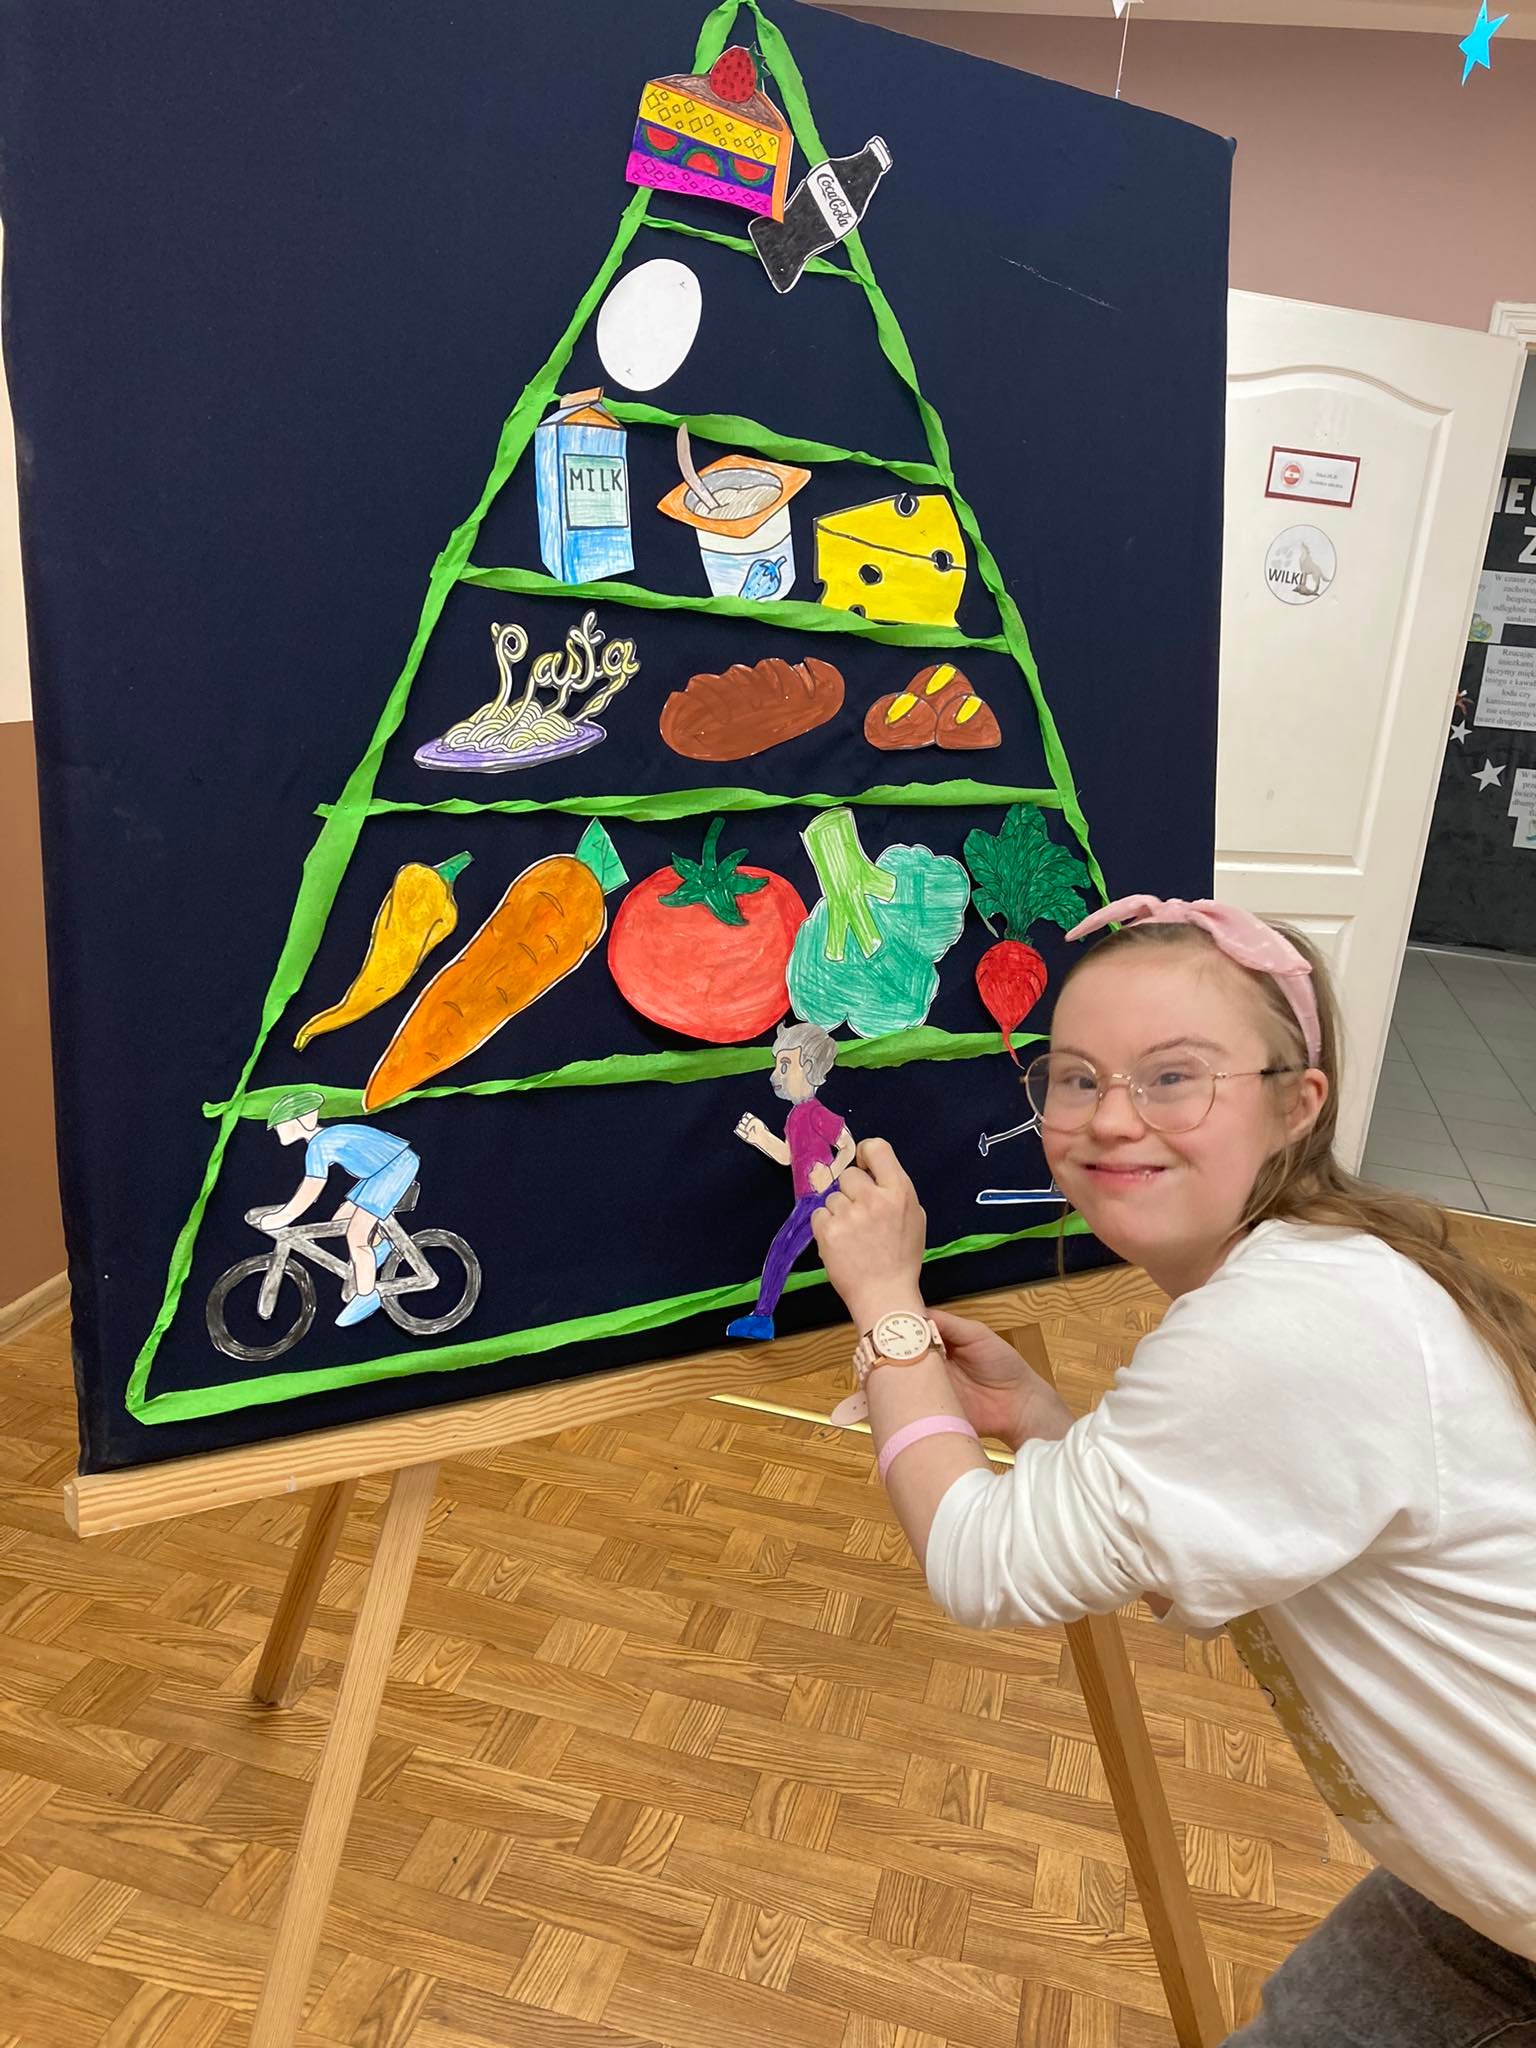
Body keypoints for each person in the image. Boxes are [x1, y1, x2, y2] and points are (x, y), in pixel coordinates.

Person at [809, 896, 1536, 2043]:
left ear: (1297, 1104)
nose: (1110, 1119)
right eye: (1076, 1077)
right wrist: (1042, 1420)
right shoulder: (1326, 1265)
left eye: (1173, 1077)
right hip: (1479, 1882)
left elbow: (981, 1561)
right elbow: (1223, 1527)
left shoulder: (1292, 1320)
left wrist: (887, 1301)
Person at [727, 1021, 856, 1342]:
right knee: (788, 1250)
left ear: (809, 1068)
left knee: (784, 1249)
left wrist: (830, 1173)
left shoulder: (815, 1113)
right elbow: (788, 1156)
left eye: (784, 1066)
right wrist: (761, 1138)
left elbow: (848, 1146)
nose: (776, 1075)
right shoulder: (795, 1116)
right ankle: (763, 1317)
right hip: (808, 1199)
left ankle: (763, 1317)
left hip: (822, 1197)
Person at [257, 1089, 420, 1328]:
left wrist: (282, 1217)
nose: (278, 1130)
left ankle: (367, 1295)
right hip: (380, 1171)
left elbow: (310, 1189)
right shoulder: (322, 1141)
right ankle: (381, 1248)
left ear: (302, 1120)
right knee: (340, 1220)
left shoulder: (319, 1144)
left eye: (281, 1123)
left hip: (395, 1168)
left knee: (356, 1234)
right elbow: (309, 1188)